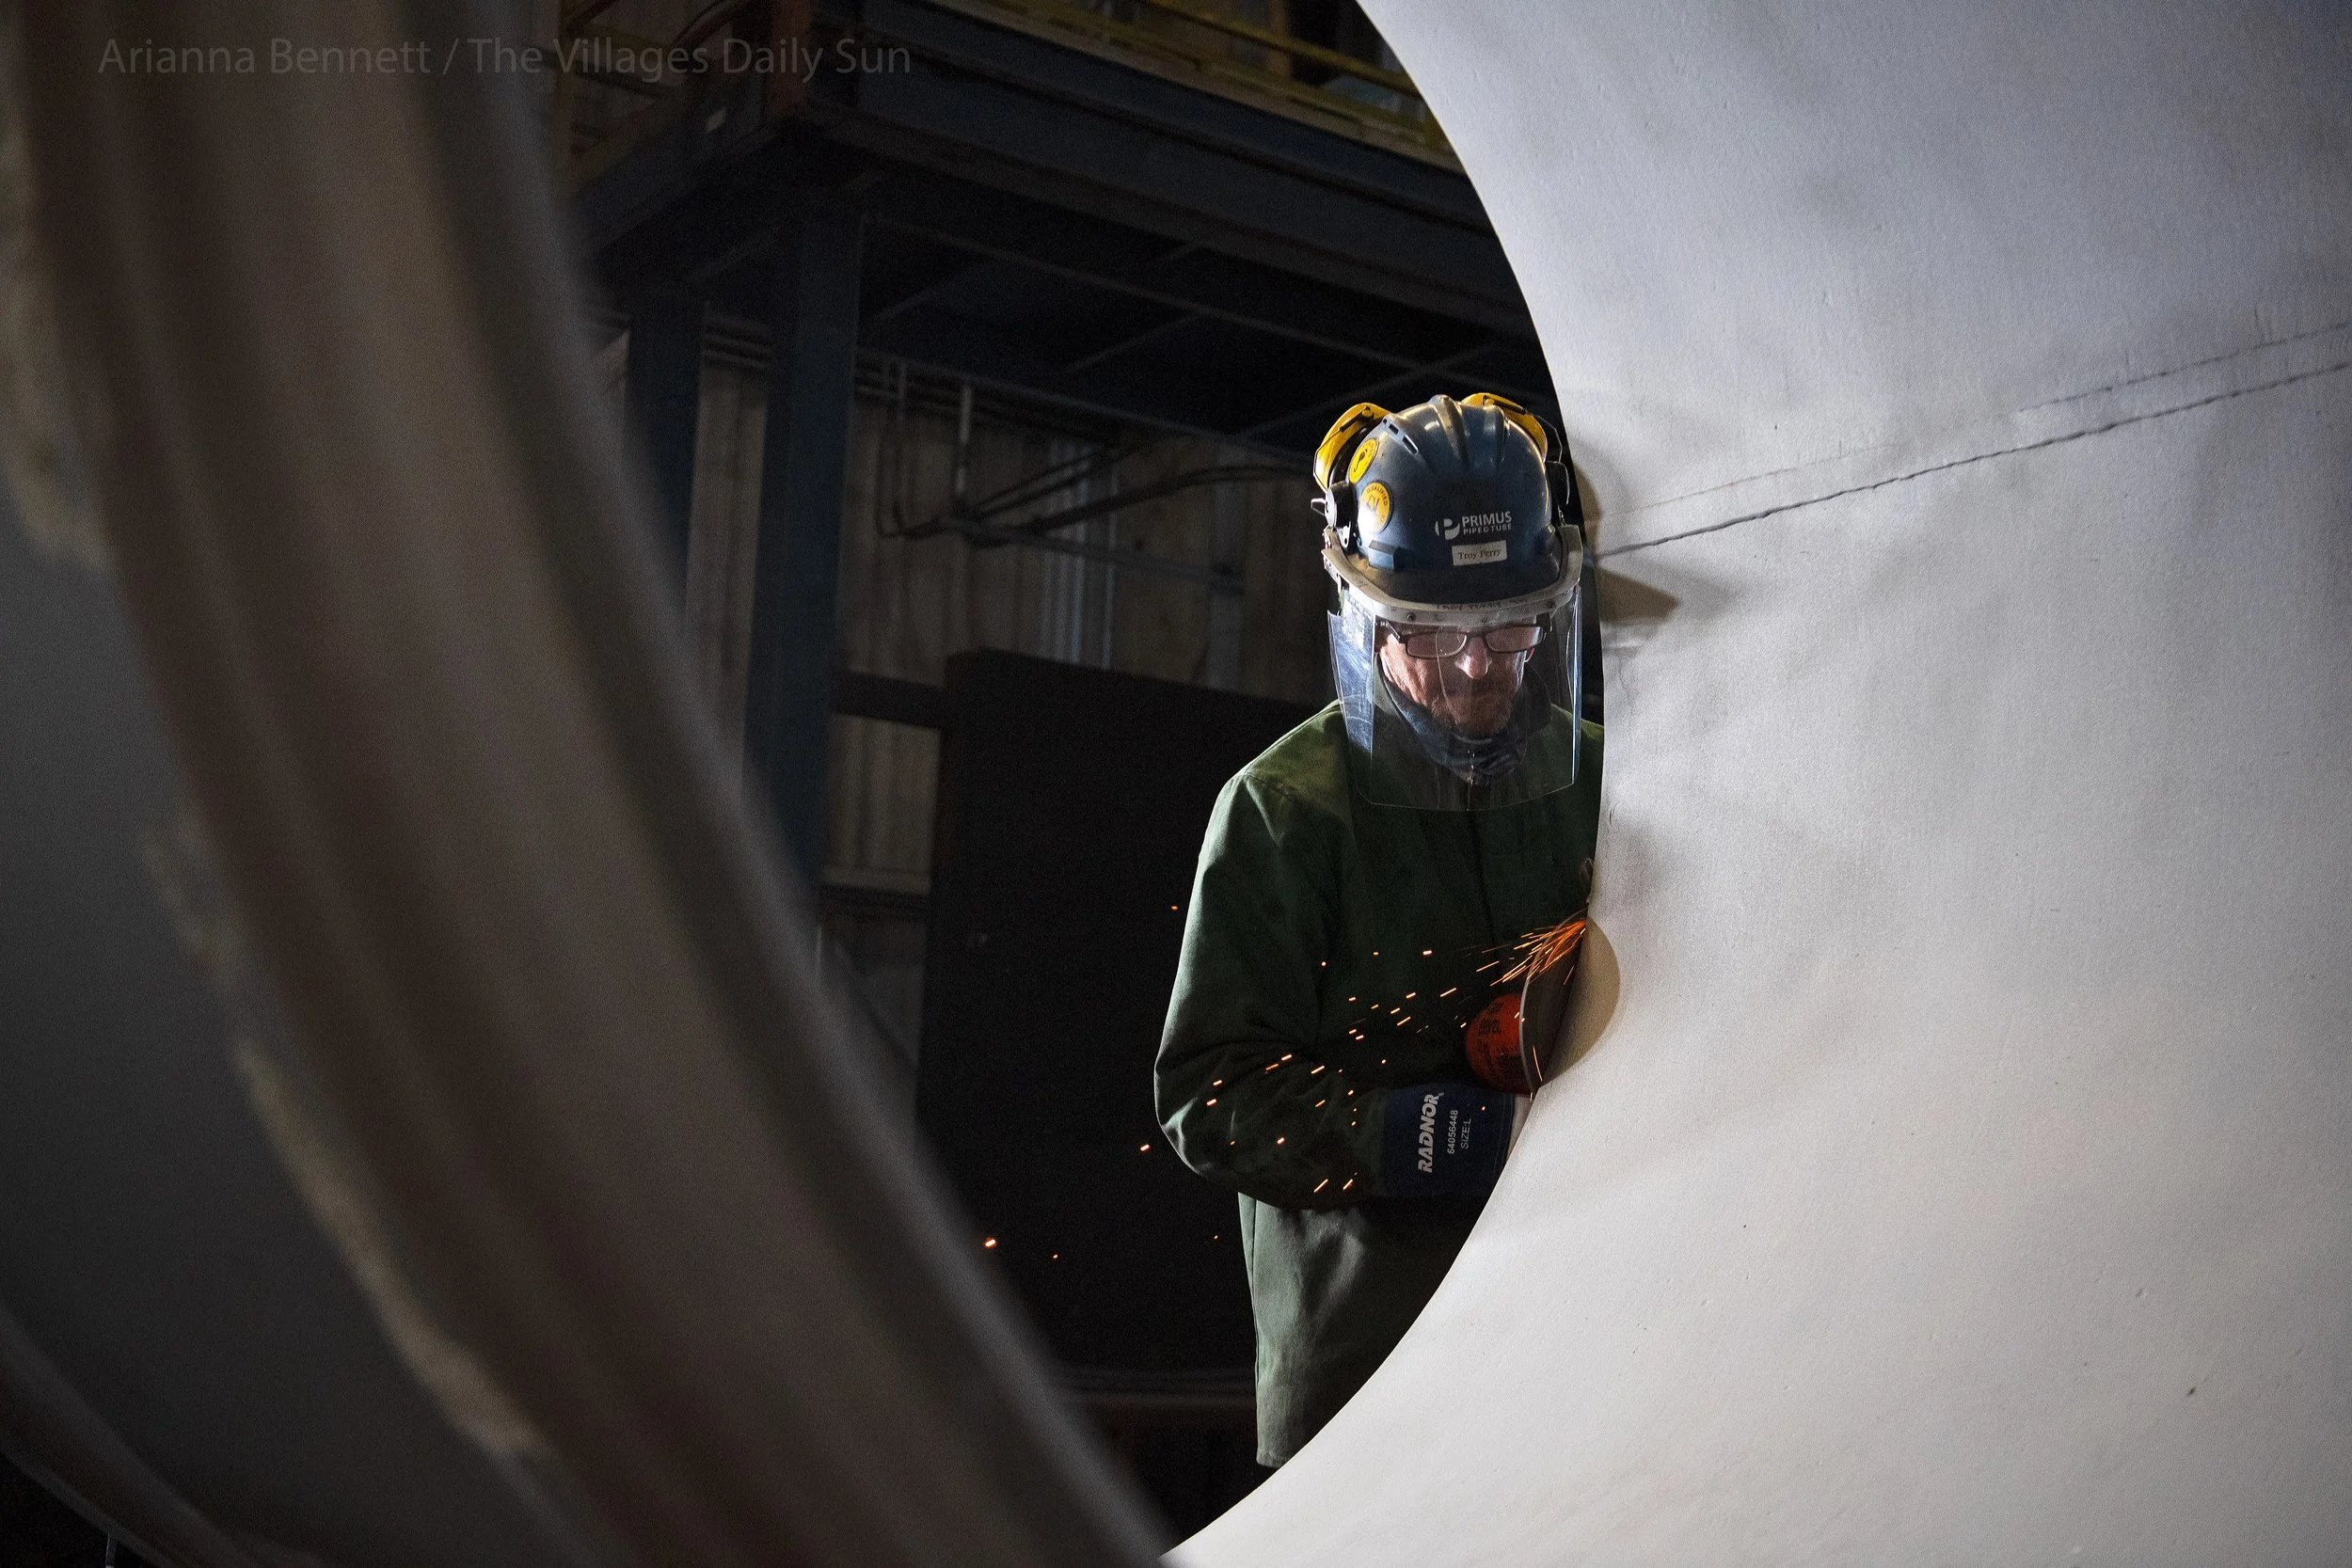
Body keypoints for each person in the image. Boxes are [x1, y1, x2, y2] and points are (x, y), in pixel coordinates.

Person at [1154, 391, 1603, 1467]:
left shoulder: (1604, 779)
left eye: (1509, 625)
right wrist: (1417, 1133)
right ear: (1365, 611)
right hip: (1370, 1357)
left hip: (1572, 1335)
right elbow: (1207, 1098)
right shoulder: (1286, 808)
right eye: (1431, 633)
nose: (1477, 667)